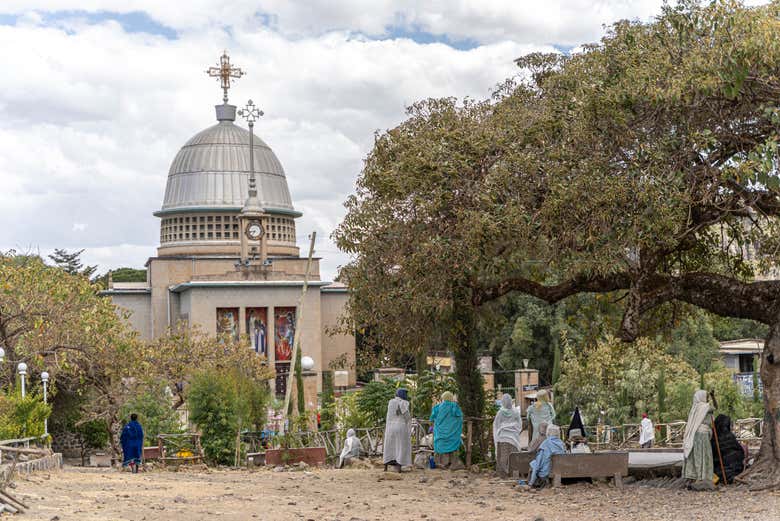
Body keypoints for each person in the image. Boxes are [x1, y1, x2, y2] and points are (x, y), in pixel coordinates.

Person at [682, 390, 714, 490]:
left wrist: (712, 397)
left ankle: (694, 476)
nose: (707, 399)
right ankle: (701, 477)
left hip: (695, 434)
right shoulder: (704, 407)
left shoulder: (695, 408)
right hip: (702, 435)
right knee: (704, 454)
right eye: (706, 397)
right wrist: (713, 397)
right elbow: (715, 407)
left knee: (696, 454)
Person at [429, 391, 464, 469]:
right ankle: (452, 464)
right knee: (452, 446)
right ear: (451, 398)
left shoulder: (437, 407)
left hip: (440, 435)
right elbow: (460, 417)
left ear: (443, 398)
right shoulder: (454, 406)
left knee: (440, 445)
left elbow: (431, 418)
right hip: (452, 435)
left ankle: (440, 463)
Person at [493, 394, 523, 476]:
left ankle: (502, 473)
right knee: (514, 455)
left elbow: (496, 425)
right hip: (514, 438)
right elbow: (519, 424)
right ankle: (515, 472)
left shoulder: (500, 413)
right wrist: (515, 429)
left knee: (503, 456)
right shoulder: (515, 412)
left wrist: (501, 429)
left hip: (503, 437)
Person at [710, 414, 745, 484]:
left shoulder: (714, 437)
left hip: (730, 466)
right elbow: (740, 449)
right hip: (728, 466)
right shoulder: (718, 437)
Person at [383, 388, 412, 472]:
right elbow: (407, 416)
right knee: (400, 446)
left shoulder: (391, 402)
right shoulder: (404, 402)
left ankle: (385, 466)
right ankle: (399, 466)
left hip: (390, 427)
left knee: (389, 446)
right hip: (400, 426)